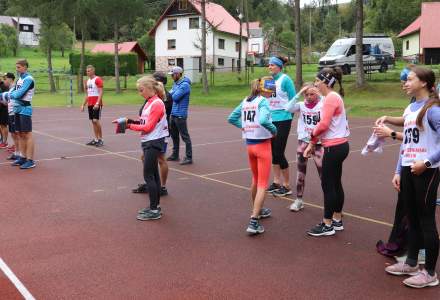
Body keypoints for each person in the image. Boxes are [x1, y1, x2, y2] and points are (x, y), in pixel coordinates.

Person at [384, 67, 440, 289]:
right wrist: (399, 170)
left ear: (424, 83)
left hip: (426, 170)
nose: (405, 83)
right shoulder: (410, 107)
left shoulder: (433, 110)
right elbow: (407, 143)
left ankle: (430, 273)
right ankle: (411, 263)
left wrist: (426, 162)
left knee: (426, 220)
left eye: (409, 80)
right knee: (412, 217)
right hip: (408, 168)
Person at [115, 76, 169, 221]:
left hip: (153, 142)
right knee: (154, 175)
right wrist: (127, 121)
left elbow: (148, 127)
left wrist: (128, 126)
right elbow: (144, 121)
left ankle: (154, 210)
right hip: (148, 141)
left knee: (149, 175)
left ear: (150, 88)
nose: (140, 93)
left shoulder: (157, 103)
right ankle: (155, 206)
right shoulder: (149, 102)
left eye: (141, 90)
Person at [304, 67, 350, 237]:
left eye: (317, 80)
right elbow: (325, 127)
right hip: (339, 145)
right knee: (336, 183)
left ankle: (327, 224)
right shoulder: (330, 97)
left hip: (333, 147)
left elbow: (323, 125)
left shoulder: (330, 98)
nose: (315, 84)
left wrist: (311, 135)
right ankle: (337, 220)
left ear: (324, 82)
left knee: (328, 185)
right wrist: (312, 142)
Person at [228, 77, 277, 234]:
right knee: (263, 183)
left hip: (250, 145)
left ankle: (258, 210)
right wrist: (274, 130)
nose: (271, 94)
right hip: (263, 146)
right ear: (266, 90)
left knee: (255, 180)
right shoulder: (263, 101)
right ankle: (254, 220)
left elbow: (231, 118)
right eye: (271, 91)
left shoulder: (247, 100)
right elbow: (263, 119)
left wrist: (244, 127)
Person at [132, 71, 172, 196]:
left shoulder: (164, 97)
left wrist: (131, 125)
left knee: (160, 159)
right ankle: (152, 183)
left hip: (159, 134)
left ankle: (162, 186)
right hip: (151, 134)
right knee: (146, 158)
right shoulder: (152, 96)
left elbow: (156, 119)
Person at [285, 83, 324, 212]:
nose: (308, 96)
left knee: (323, 173)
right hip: (303, 142)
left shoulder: (322, 104)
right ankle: (299, 200)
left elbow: (328, 104)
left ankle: (329, 201)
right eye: (306, 94)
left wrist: (319, 94)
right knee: (301, 172)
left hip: (319, 144)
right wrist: (298, 93)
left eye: (311, 94)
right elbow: (288, 108)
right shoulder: (301, 105)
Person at [266, 56, 296, 197]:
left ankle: (287, 185)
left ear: (279, 66)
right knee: (273, 152)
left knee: (279, 151)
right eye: (269, 65)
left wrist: (289, 117)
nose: (269, 67)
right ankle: (276, 182)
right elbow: (266, 100)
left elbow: (293, 99)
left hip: (283, 119)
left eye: (272, 65)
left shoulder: (286, 80)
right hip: (270, 119)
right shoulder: (268, 80)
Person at [0, 59, 36, 169]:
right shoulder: (20, 79)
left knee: (27, 134)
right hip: (16, 109)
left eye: (19, 67)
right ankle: (22, 157)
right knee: (19, 133)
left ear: (25, 67)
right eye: (16, 67)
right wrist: (5, 95)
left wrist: (7, 96)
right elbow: (13, 92)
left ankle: (30, 160)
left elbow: (18, 94)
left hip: (25, 108)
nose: (17, 69)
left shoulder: (29, 79)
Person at [167, 66, 193, 165]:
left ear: (178, 74)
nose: (171, 77)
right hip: (173, 114)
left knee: (185, 136)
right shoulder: (176, 84)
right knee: (174, 136)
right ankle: (175, 155)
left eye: (173, 75)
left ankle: (189, 157)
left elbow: (175, 97)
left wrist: (172, 93)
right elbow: (168, 95)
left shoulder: (185, 85)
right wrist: (172, 93)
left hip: (180, 115)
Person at [81, 65, 104, 147]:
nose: (88, 72)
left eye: (90, 71)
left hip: (96, 103)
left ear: (93, 71)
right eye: (87, 71)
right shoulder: (87, 81)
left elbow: (101, 92)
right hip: (90, 103)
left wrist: (98, 103)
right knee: (93, 122)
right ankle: (96, 139)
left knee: (95, 120)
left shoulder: (97, 79)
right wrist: (83, 105)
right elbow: (87, 95)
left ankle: (101, 139)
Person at [0, 73, 20, 161]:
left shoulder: (15, 87)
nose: (4, 81)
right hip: (10, 112)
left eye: (5, 79)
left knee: (17, 133)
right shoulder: (10, 88)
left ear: (10, 79)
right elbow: (7, 101)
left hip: (15, 112)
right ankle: (16, 152)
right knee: (13, 133)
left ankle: (19, 152)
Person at [0, 78, 9, 148]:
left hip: (3, 108)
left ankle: (5, 142)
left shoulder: (4, 86)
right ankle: (2, 140)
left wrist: (3, 102)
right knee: (1, 125)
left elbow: (7, 97)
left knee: (3, 125)